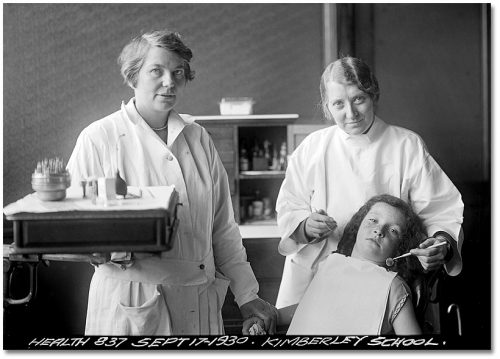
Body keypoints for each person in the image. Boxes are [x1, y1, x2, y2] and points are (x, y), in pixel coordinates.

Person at [66, 29, 276, 335]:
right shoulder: (99, 138)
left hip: (198, 300)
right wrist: (103, 248)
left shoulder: (198, 138)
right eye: (156, 71)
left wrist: (248, 296)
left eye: (178, 72)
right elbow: (68, 227)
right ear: (132, 76)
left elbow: (223, 230)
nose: (170, 82)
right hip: (132, 302)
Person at [275, 56, 464, 309]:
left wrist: (440, 243)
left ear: (373, 94)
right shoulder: (312, 147)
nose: (350, 113)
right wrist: (305, 226)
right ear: (327, 107)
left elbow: (441, 211)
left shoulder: (406, 145)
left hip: (384, 278)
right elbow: (290, 205)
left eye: (358, 99)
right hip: (316, 273)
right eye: (338, 104)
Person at [244, 194, 425, 335]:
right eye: (373, 220)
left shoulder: (393, 286)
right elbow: (310, 308)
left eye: (393, 230)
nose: (379, 230)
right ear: (358, 225)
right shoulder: (331, 265)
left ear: (400, 249)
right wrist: (271, 316)